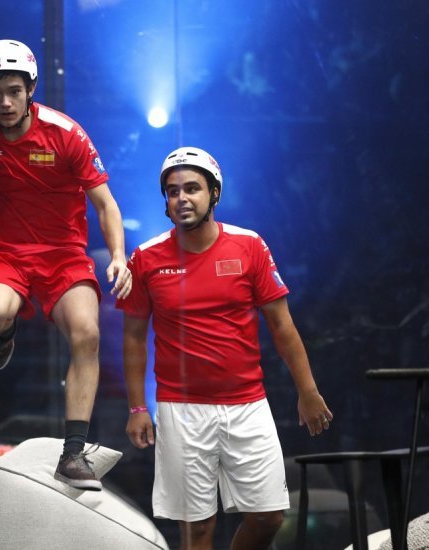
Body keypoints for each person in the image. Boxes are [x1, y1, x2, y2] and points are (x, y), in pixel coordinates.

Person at [0, 39, 132, 491]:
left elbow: (106, 204)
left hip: (64, 255)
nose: (5, 103)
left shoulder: (66, 134)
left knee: (87, 333)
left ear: (30, 89)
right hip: (7, 256)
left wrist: (117, 255)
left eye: (14, 91)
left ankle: (73, 453)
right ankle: (4, 330)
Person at [117, 146, 333, 548]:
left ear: (214, 193)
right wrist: (136, 407)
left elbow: (282, 327)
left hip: (248, 405)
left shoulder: (249, 246)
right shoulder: (146, 258)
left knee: (268, 517)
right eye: (172, 191)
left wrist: (307, 391)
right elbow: (132, 337)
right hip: (181, 410)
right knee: (197, 528)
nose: (182, 199)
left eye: (192, 189)